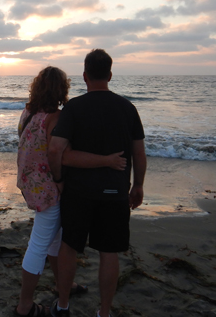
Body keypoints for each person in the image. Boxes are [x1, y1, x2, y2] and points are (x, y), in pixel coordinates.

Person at [15, 66, 127, 317]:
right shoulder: (55, 117)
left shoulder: (28, 112)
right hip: (48, 188)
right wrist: (60, 179)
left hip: (30, 183)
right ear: (61, 89)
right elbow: (58, 155)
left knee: (56, 239)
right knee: (39, 244)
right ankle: (25, 306)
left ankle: (63, 284)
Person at [48, 49, 147, 317]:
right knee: (109, 251)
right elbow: (139, 152)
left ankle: (63, 305)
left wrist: (58, 179)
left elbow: (56, 150)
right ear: (110, 75)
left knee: (69, 246)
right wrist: (137, 185)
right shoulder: (128, 108)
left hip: (78, 191)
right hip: (115, 192)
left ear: (84, 76)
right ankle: (104, 312)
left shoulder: (74, 107)